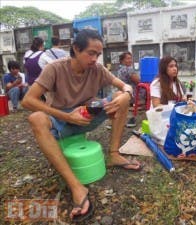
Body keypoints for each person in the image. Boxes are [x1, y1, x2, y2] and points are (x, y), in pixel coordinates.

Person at [21, 29, 142, 222]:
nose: (95, 59)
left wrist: (127, 93)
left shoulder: (97, 69)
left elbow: (124, 86)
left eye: (98, 54)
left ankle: (113, 155)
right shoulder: (55, 68)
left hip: (87, 117)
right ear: (76, 49)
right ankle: (76, 186)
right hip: (62, 121)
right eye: (91, 53)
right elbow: (27, 100)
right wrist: (67, 116)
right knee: (36, 118)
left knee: (121, 98)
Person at [116, 52, 140, 127]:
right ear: (122, 60)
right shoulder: (128, 69)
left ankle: (117, 121)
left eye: (130, 58)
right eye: (128, 58)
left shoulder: (119, 69)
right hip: (131, 93)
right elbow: (138, 81)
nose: (130, 60)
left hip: (122, 93)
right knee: (147, 89)